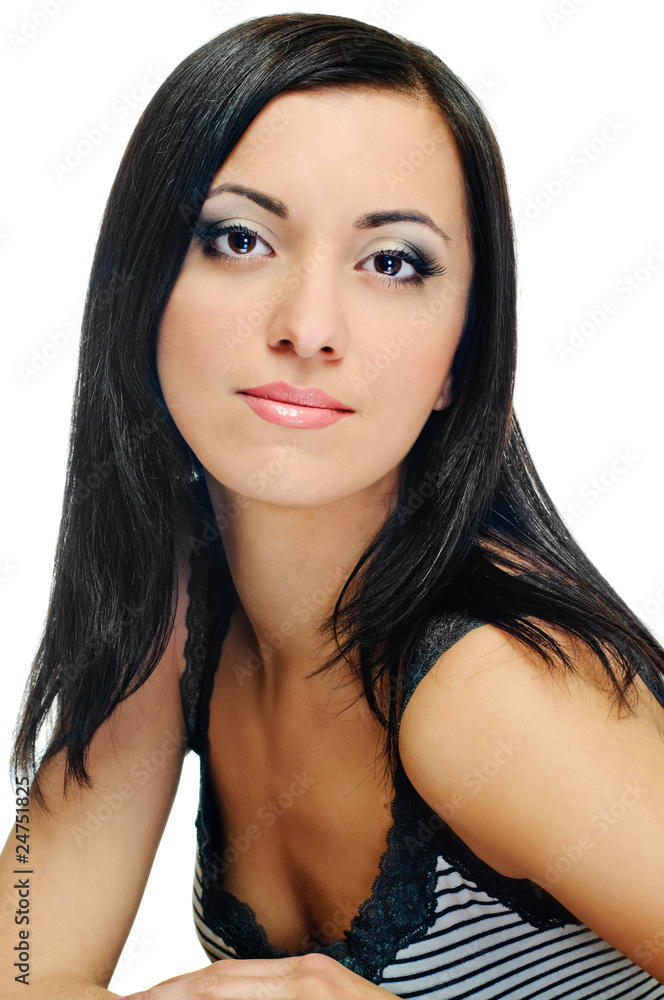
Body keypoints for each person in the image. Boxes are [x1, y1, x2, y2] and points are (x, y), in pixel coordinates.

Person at [2, 11, 664, 999]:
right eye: (240, 238)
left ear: (461, 358)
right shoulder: (177, 611)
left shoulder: (489, 692)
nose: (308, 327)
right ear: (142, 290)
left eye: (392, 262)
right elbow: (19, 957)